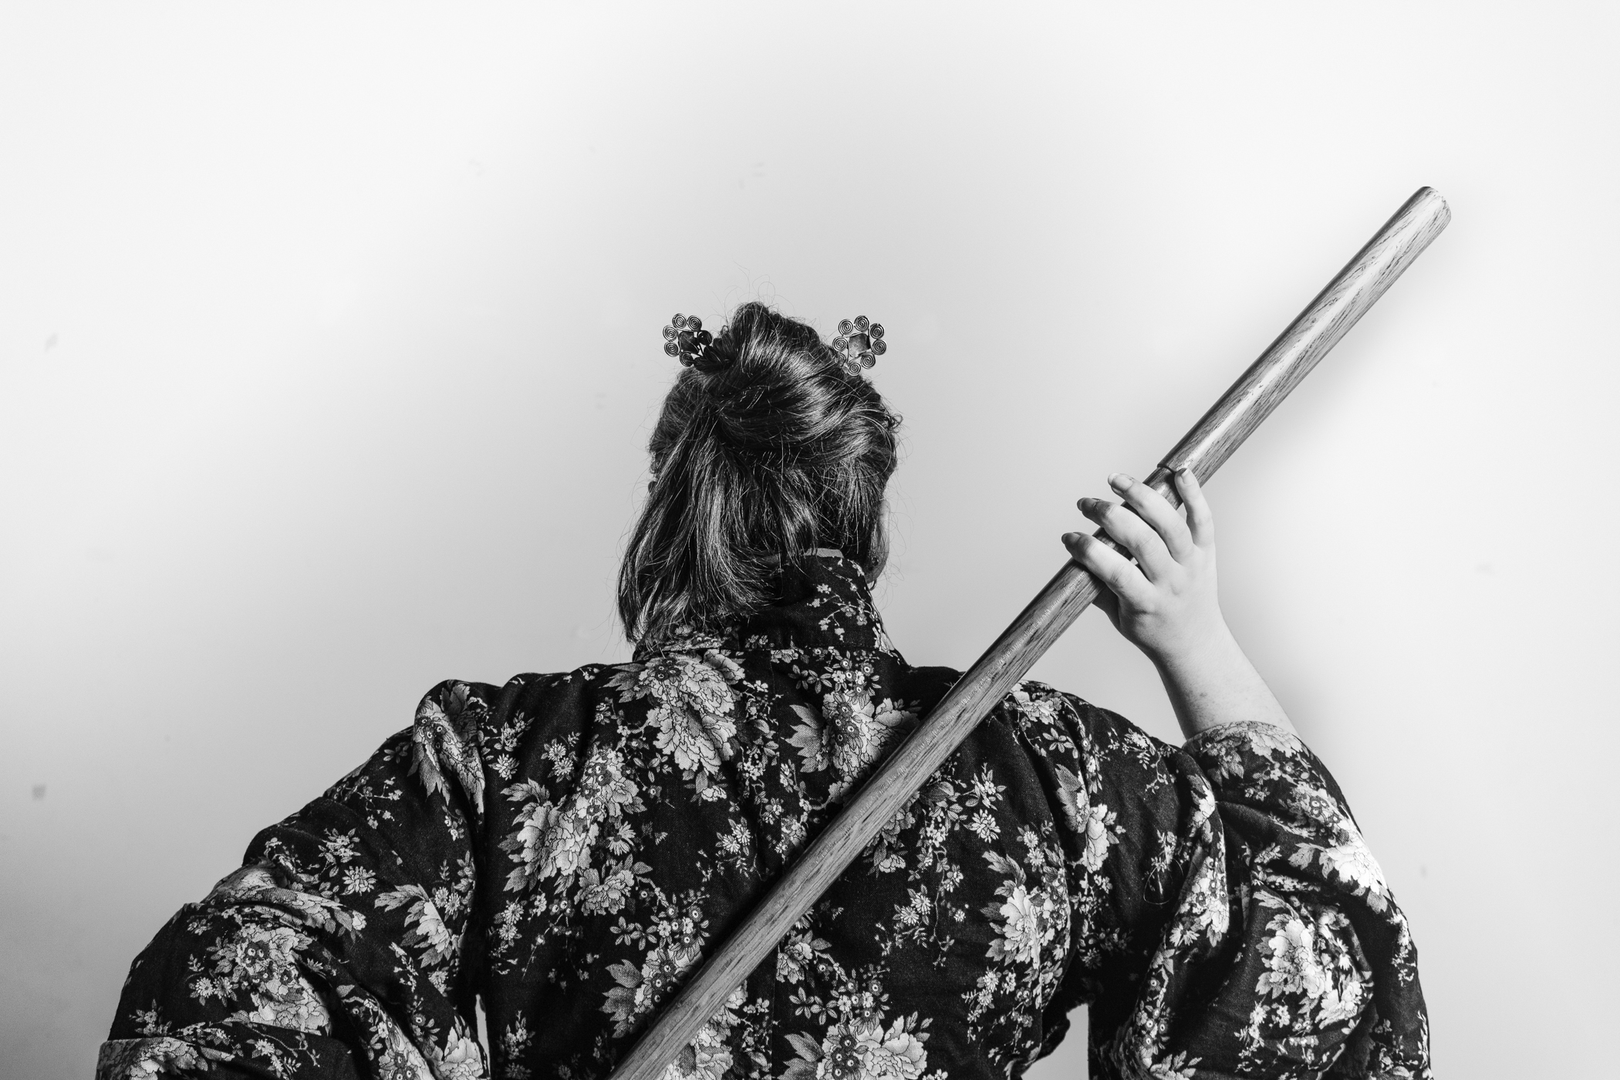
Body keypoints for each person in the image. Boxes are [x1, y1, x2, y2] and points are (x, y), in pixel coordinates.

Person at [99, 303, 1430, 1080]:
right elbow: (1325, 977)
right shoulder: (1049, 780)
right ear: (866, 513)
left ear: (670, 503)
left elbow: (228, 990)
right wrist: (1198, 640)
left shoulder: (510, 761)